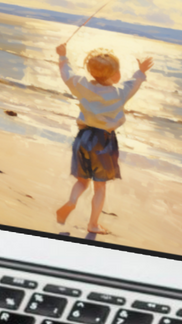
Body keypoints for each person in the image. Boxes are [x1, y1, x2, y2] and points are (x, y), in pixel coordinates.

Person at [53, 44, 153, 241]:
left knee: (82, 181)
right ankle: (93, 224)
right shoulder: (119, 93)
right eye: (117, 71)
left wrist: (63, 56)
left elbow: (67, 74)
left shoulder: (81, 85)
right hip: (104, 142)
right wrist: (140, 71)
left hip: (83, 138)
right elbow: (134, 83)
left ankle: (72, 201)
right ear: (114, 75)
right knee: (100, 186)